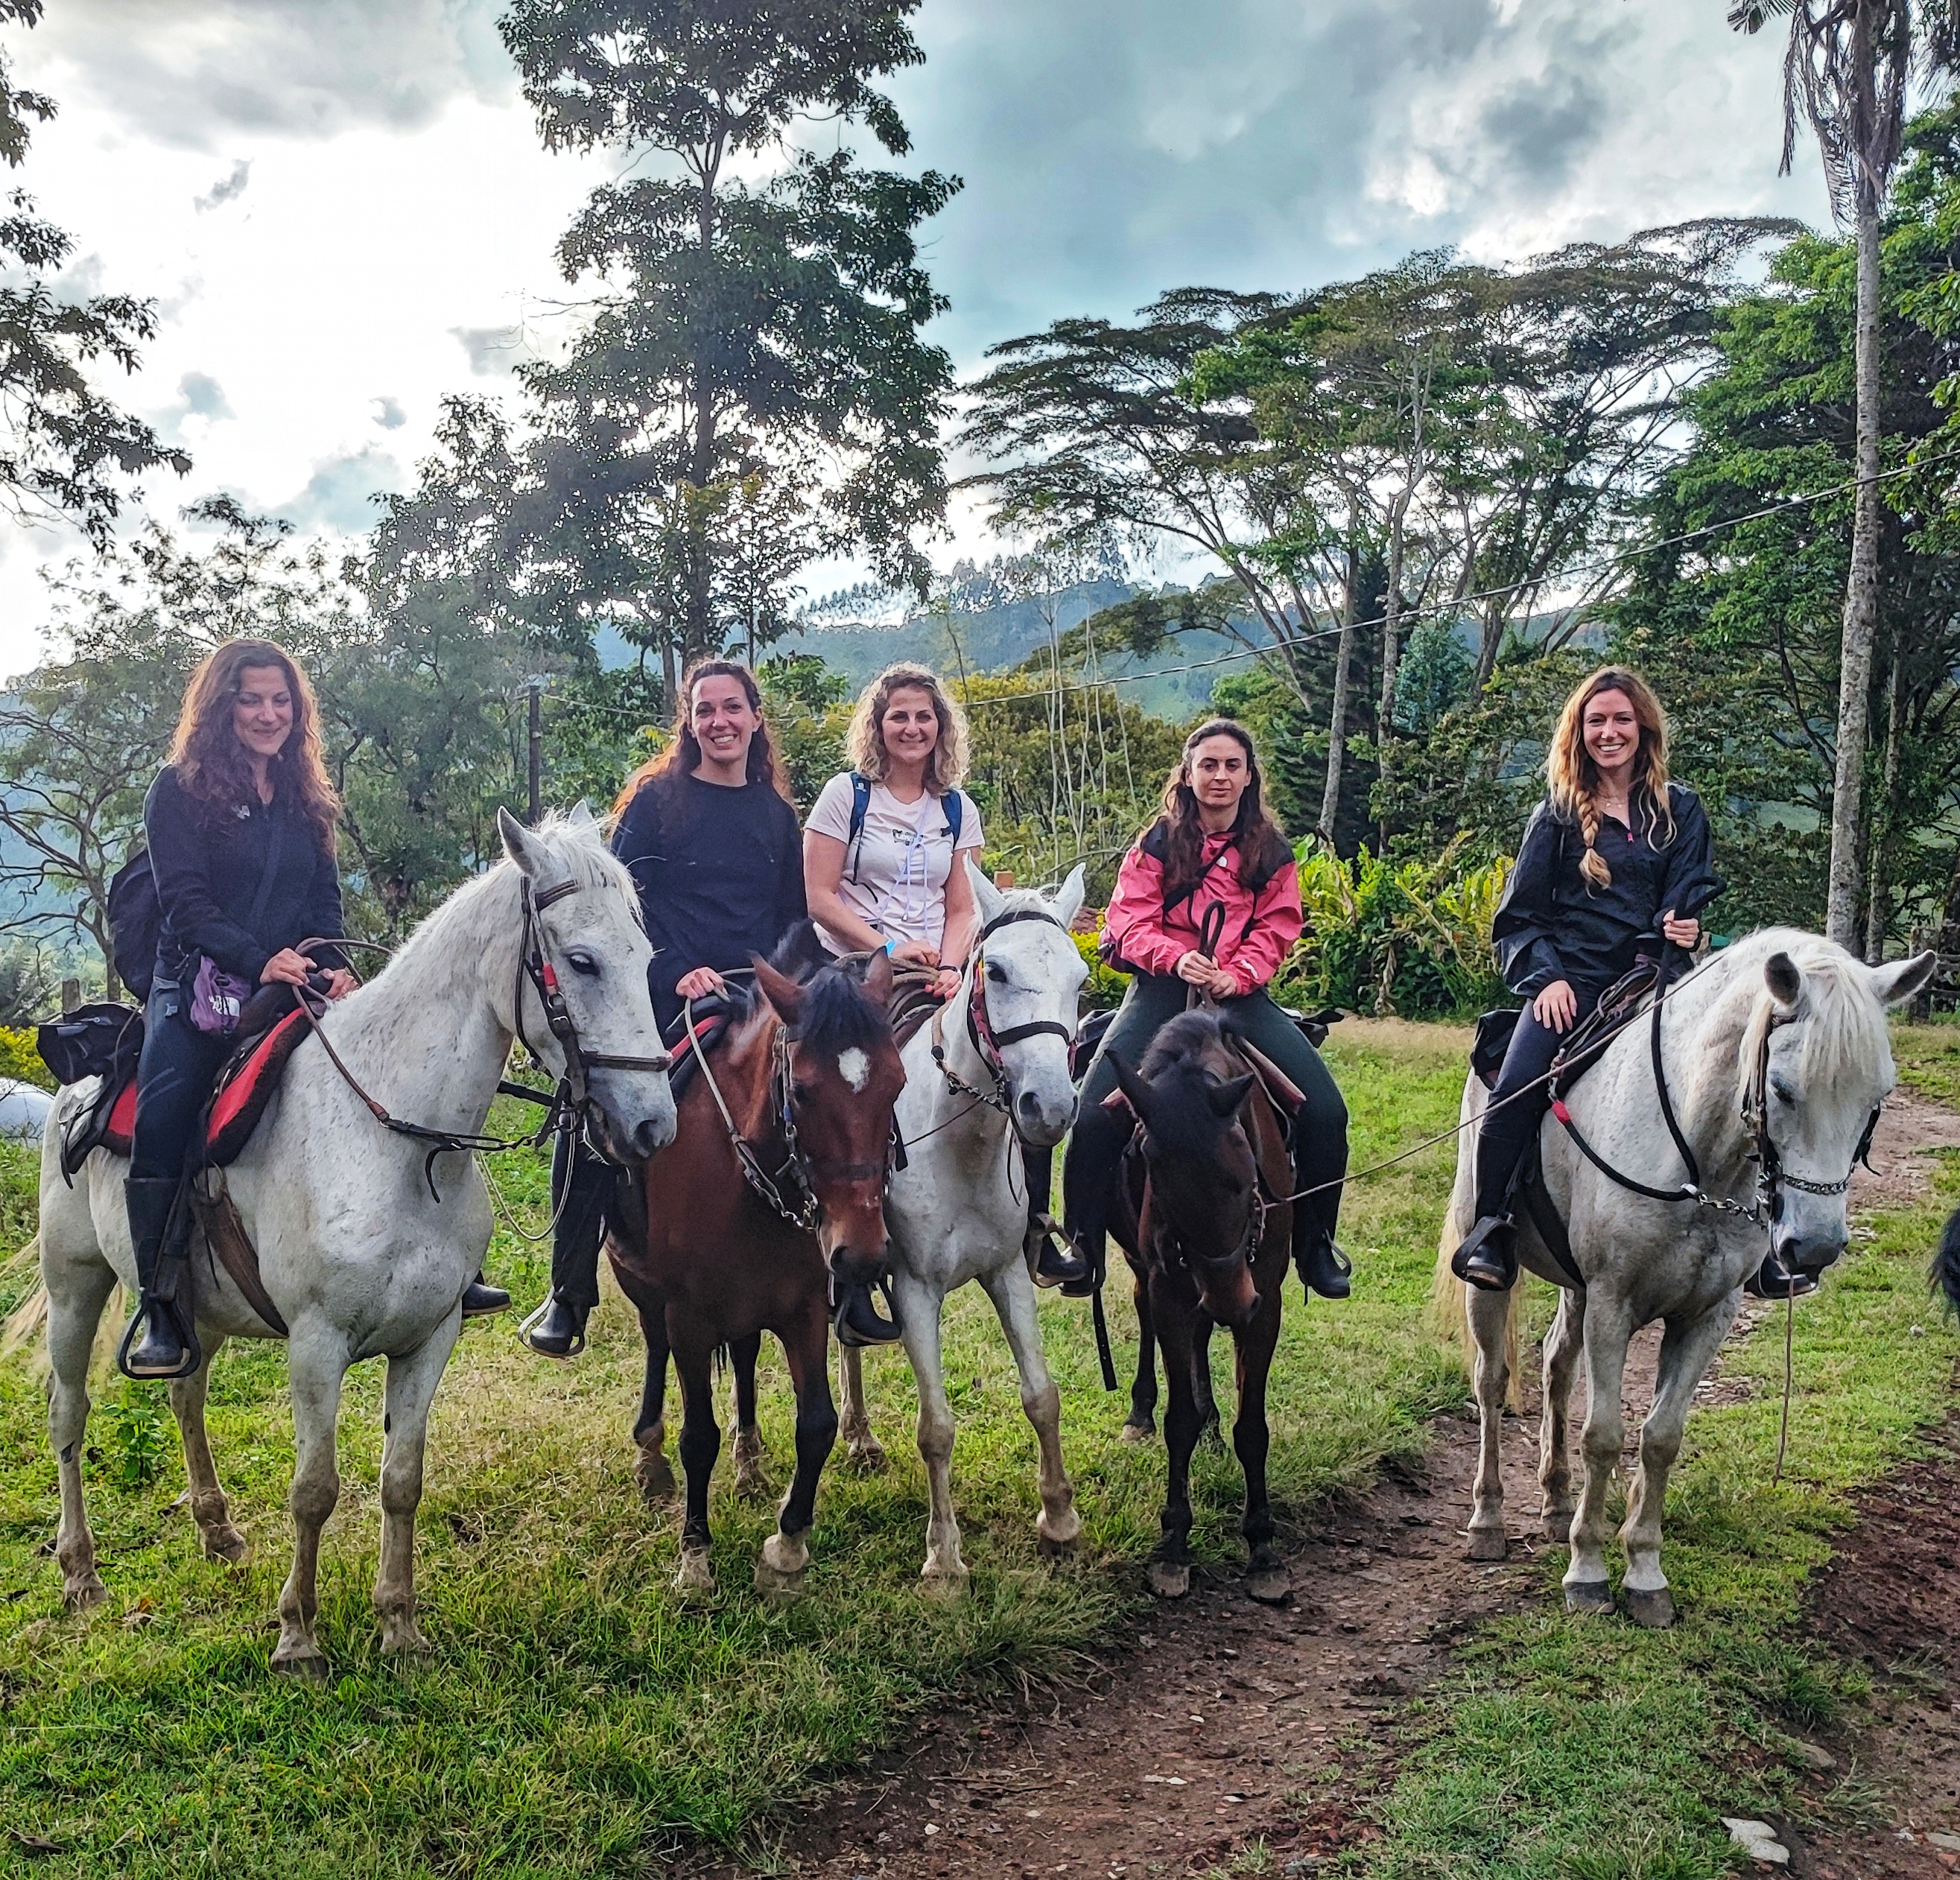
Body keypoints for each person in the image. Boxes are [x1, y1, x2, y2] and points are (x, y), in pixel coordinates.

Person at [524, 659, 809, 1359]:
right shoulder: (655, 802)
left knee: (837, 1092)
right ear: (689, 723)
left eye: (732, 708)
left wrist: (793, 987)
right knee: (585, 1107)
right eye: (704, 710)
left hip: (751, 991)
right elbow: (618, 908)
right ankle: (569, 1289)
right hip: (660, 983)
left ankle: (853, 1269)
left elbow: (792, 921)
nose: (719, 722)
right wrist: (679, 970)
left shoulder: (775, 817)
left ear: (755, 718)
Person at [1448, 666, 1766, 1294]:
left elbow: (1685, 898)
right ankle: (1492, 1226)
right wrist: (1546, 981)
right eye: (1596, 721)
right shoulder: (1557, 816)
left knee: (1748, 1079)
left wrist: (1682, 928)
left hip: (1662, 983)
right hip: (1573, 984)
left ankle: (1763, 1237)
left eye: (1621, 719)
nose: (1609, 732)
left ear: (1642, 726)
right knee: (1513, 1089)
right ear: (1579, 731)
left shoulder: (1681, 810)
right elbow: (1517, 918)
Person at [124, 640, 389, 1377]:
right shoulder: (177, 790)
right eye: (252, 699)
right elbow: (185, 902)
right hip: (199, 984)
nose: (269, 714)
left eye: (282, 700)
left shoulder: (308, 797)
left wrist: (334, 970)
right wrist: (255, 956)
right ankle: (158, 1303)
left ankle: (425, 1266)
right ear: (222, 705)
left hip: (293, 981)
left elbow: (323, 903)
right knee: (165, 1112)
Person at [1062, 719, 1353, 1303]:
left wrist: (1236, 973)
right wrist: (1176, 959)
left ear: (1248, 777)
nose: (1220, 776)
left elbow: (1278, 925)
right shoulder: (1157, 843)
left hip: (1240, 999)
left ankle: (1315, 1243)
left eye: (1232, 766)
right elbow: (1127, 921)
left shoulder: (1271, 849)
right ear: (1188, 774)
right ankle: (1083, 1246)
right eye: (1209, 765)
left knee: (1325, 1113)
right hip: (1161, 994)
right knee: (1092, 1116)